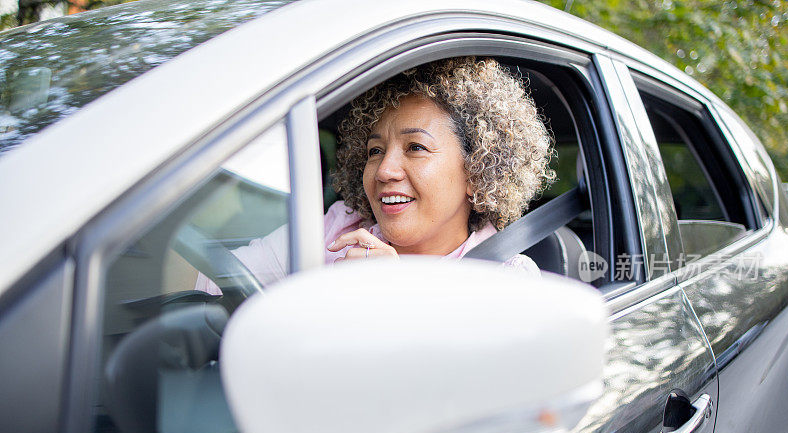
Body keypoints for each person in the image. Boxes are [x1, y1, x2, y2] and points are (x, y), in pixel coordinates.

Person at [197, 57, 555, 294]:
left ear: (477, 170)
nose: (384, 170)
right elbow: (217, 284)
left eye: (415, 147)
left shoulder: (508, 279)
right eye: (375, 151)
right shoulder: (337, 228)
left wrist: (395, 299)